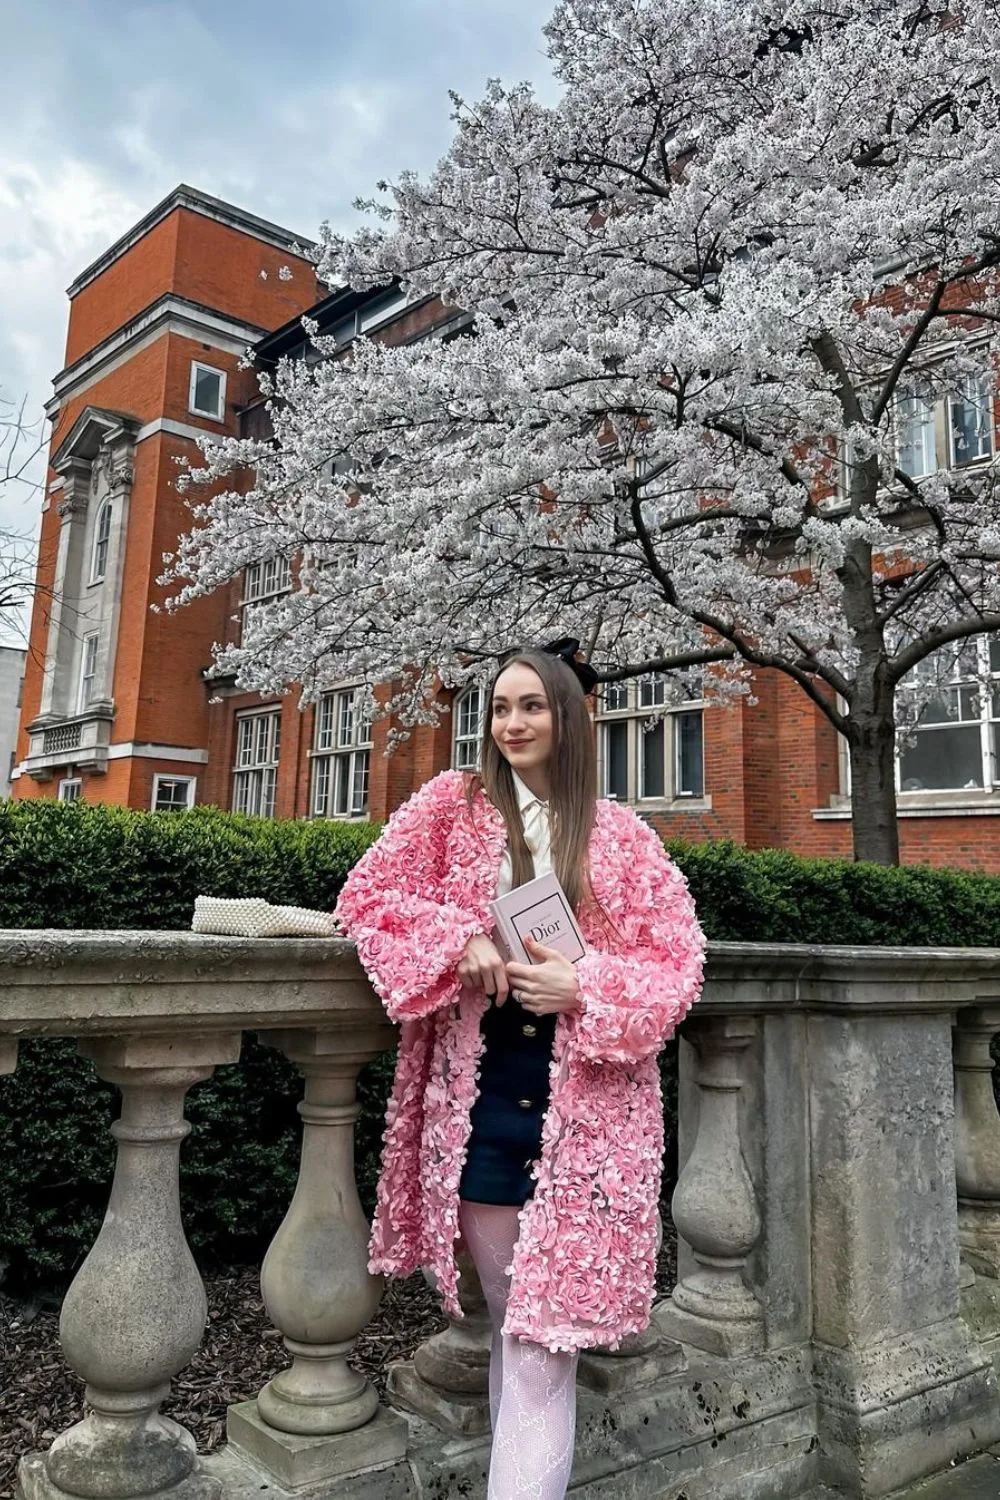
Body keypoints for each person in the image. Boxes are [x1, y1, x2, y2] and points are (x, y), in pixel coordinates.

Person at [335, 639, 706, 1500]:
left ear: (567, 717)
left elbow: (676, 966)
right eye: (499, 707)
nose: (511, 723)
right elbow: (367, 897)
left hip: (590, 1126)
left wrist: (583, 984)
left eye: (531, 705)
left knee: (542, 1346)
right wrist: (452, 936)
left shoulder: (621, 837)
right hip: (485, 1110)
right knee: (519, 1332)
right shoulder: (448, 807)